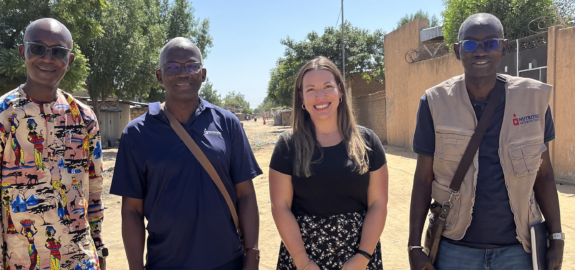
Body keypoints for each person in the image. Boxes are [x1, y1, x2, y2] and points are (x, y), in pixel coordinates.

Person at [408, 13, 564, 270]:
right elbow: (423, 179)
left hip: (518, 250)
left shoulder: (533, 100)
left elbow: (544, 175)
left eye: (490, 43)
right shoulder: (434, 103)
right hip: (455, 250)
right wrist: (414, 246)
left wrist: (556, 237)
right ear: (458, 51)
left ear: (504, 46)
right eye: (470, 44)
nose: (480, 52)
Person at [110, 37, 262, 270]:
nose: (183, 73)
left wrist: (251, 255)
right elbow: (131, 210)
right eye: (172, 67)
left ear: (202, 74)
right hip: (165, 264)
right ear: (160, 76)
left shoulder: (227, 123)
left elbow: (246, 195)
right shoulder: (137, 133)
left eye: (191, 66)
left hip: (227, 261)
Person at [0, 18, 106, 270]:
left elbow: (95, 190)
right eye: (37, 48)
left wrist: (99, 248)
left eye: (58, 51)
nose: (47, 58)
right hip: (22, 263)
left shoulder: (84, 117)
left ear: (69, 60)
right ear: (23, 52)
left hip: (80, 261)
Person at [269, 56, 388, 270]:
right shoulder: (288, 146)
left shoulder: (367, 142)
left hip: (358, 256)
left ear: (340, 91)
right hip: (303, 256)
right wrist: (303, 262)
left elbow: (378, 204)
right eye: (311, 89)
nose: (320, 95)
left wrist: (362, 257)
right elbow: (280, 206)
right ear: (302, 98)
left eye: (327, 86)